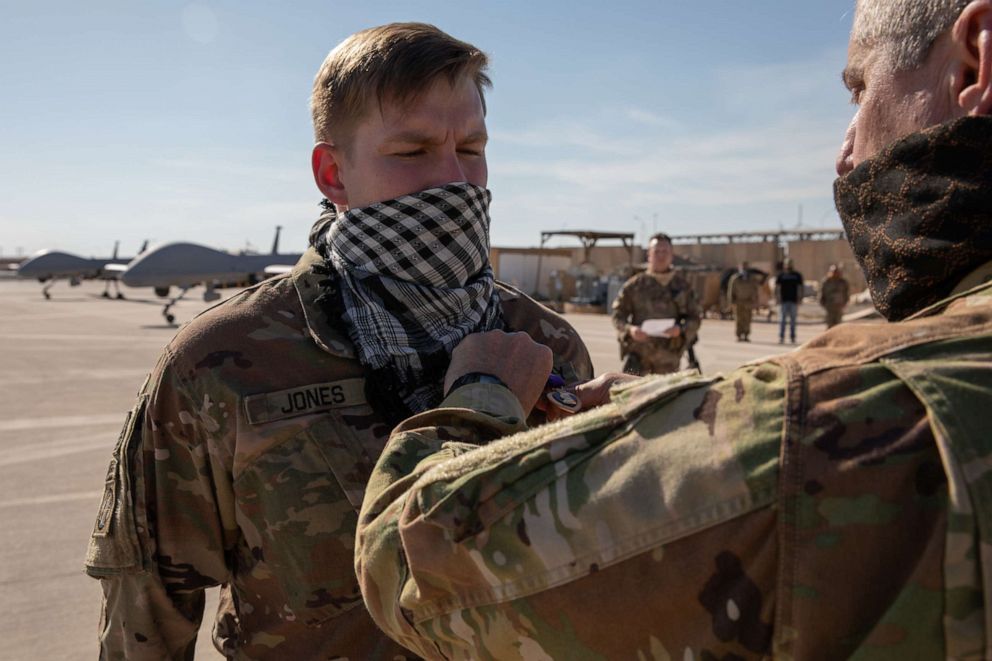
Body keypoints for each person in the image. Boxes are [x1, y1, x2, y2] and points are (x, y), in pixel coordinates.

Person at [355, 1, 992, 658]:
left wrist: (482, 393)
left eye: (861, 88)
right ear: (333, 175)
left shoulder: (818, 423)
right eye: (412, 149)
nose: (847, 148)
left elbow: (408, 562)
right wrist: (648, 403)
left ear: (976, 59)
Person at [83, 23, 592, 660]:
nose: (453, 181)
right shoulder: (221, 361)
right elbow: (148, 607)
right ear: (334, 173)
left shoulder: (543, 343)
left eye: (471, 147)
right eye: (412, 152)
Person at [611, 233, 701, 374]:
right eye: (656, 251)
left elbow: (695, 318)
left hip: (668, 362)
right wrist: (630, 330)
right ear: (649, 254)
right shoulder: (635, 285)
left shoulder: (682, 287)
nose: (661, 255)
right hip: (638, 360)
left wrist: (681, 329)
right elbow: (617, 316)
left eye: (665, 251)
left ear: (672, 255)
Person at [774, 257, 804, 343]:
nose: (788, 265)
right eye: (787, 264)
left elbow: (800, 288)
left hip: (793, 300)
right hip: (783, 301)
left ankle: (792, 337)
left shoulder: (797, 275)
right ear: (784, 265)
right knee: (782, 320)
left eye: (790, 264)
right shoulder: (781, 275)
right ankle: (781, 337)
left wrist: (800, 298)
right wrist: (777, 298)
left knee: (793, 320)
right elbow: (777, 288)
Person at [728, 261, 759, 341]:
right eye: (743, 267)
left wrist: (755, 300)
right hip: (738, 301)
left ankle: (746, 335)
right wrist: (731, 301)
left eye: (746, 267)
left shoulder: (751, 278)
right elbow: (731, 290)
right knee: (738, 319)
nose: (744, 269)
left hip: (748, 301)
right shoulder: (735, 278)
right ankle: (739, 335)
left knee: (747, 319)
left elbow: (755, 289)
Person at [819, 263, 851, 327]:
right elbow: (822, 292)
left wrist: (845, 301)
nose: (835, 273)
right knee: (830, 324)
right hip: (829, 306)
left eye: (836, 272)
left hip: (839, 305)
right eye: (833, 272)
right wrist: (822, 302)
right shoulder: (826, 281)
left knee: (838, 324)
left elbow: (846, 293)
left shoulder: (843, 282)